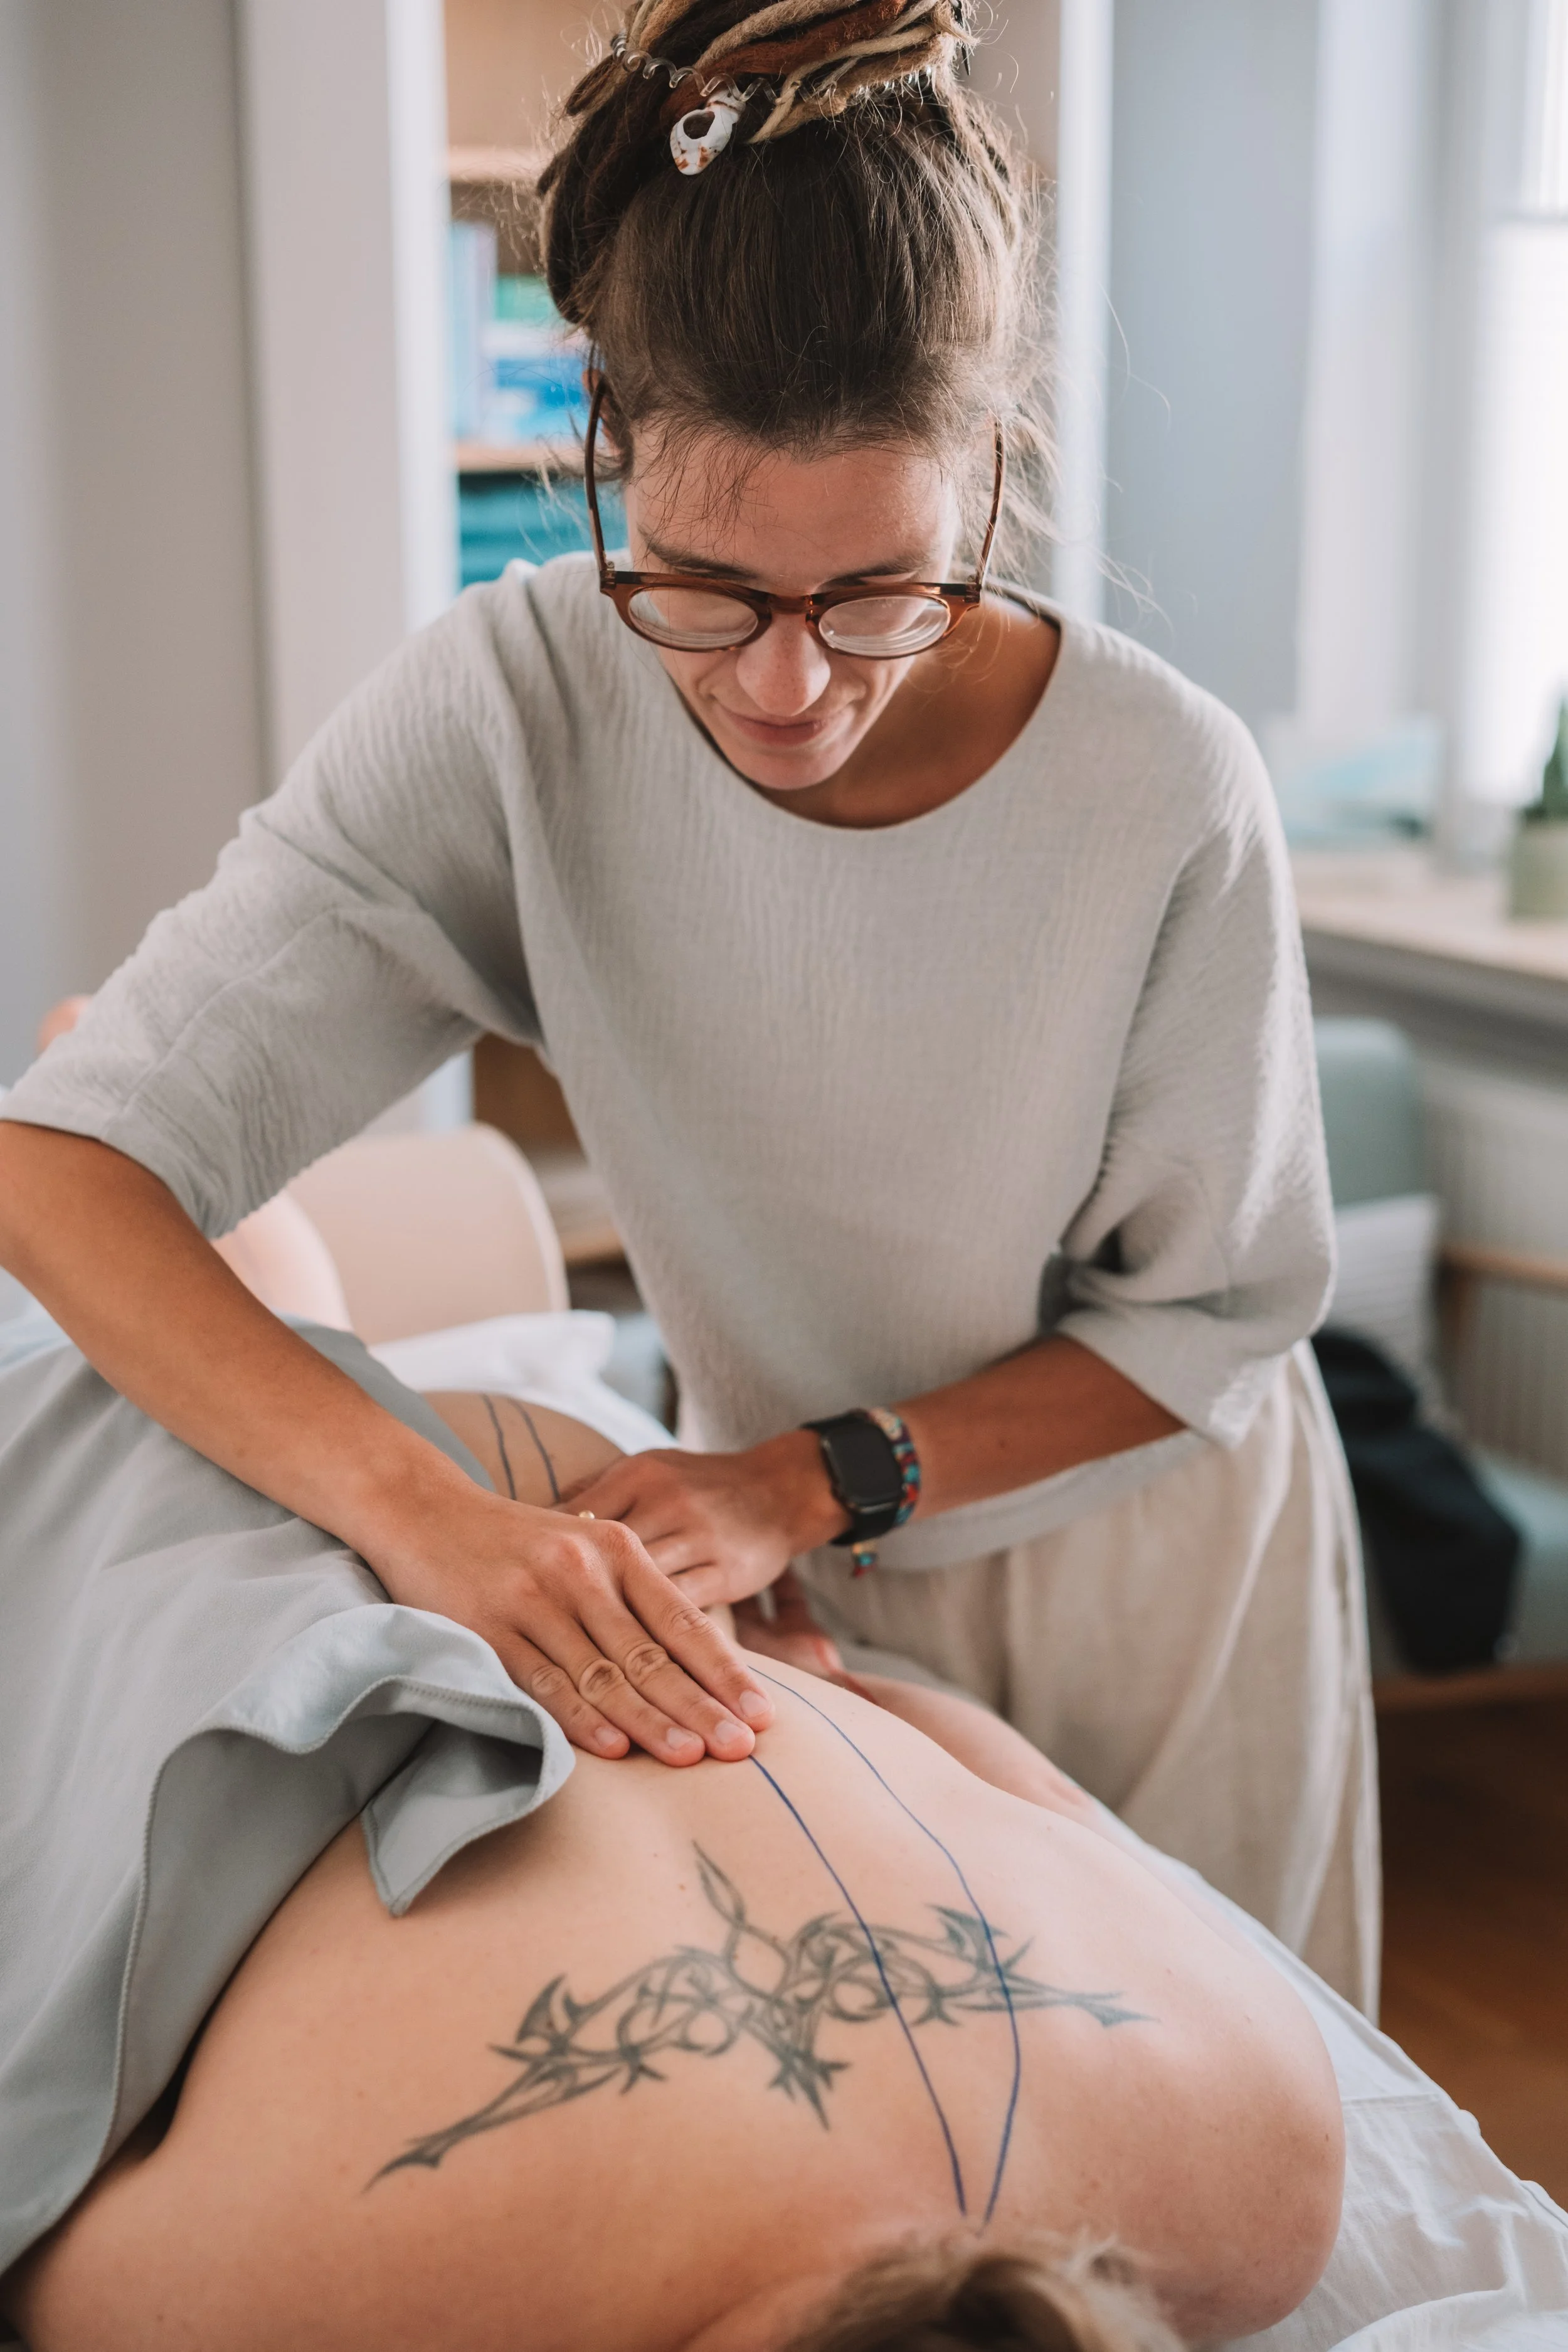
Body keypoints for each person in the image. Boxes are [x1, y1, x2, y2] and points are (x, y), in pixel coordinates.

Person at [0, 0, 1376, 2011]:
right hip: (788, 1565)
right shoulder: (511, 711)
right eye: (700, 584)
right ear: (605, 444)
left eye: (879, 590)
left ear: (987, 475)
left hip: (1139, 1562)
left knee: (1211, 2104)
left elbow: (1212, 1320)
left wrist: (806, 1472)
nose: (786, 687)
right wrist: (424, 1515)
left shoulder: (1160, 789)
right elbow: (66, 1159)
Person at [4, 1382, 1343, 2352]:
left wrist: (825, 1689)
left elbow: (1018, 1787)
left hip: (599, 1527)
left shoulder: (1263, 2177)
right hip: (216, 1519)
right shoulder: (316, 2295)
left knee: (218, 1280)